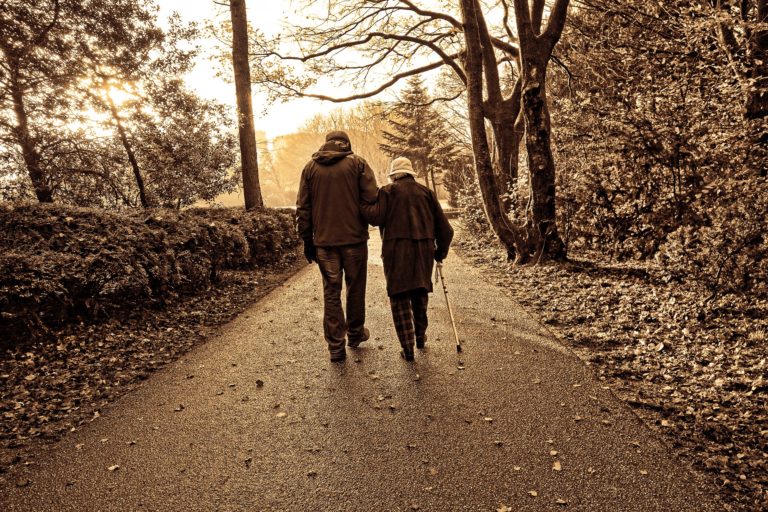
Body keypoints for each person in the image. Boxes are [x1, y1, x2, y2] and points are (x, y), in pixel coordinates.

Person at [296, 130, 379, 362]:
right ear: (346, 144)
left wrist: (307, 241)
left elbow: (303, 208)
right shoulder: (358, 164)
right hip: (354, 240)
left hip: (325, 243)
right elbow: (372, 198)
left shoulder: (310, 168)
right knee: (355, 288)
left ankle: (335, 347)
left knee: (331, 292)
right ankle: (354, 334)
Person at [361, 157, 454, 361]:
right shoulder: (427, 193)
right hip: (423, 249)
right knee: (420, 291)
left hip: (396, 249)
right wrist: (439, 253)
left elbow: (375, 218)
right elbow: (446, 230)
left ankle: (408, 348)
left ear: (394, 175)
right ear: (411, 173)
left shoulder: (387, 192)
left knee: (399, 296)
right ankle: (420, 337)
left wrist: (359, 201)